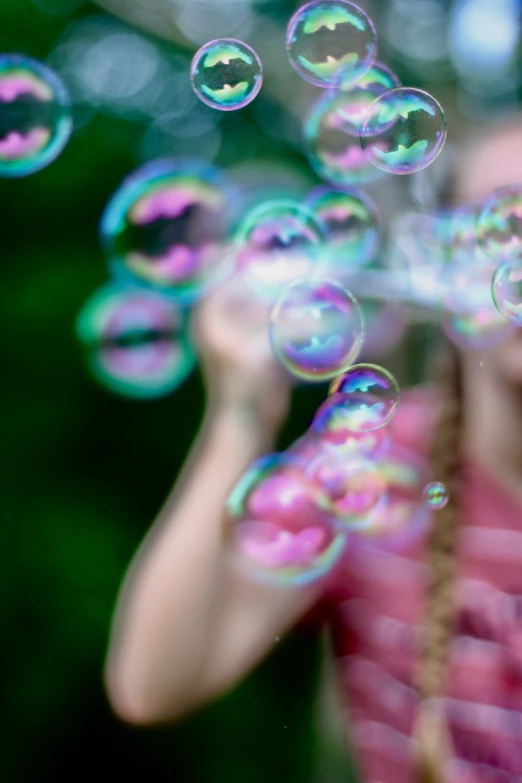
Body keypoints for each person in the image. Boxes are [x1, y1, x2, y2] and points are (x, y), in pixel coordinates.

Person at [104, 119, 522, 782]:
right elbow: (154, 683)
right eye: (501, 228)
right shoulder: (371, 466)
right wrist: (240, 415)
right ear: (442, 265)